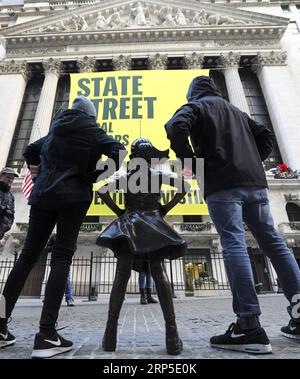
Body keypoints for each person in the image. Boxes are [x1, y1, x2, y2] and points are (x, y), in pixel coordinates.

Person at [165, 75, 300, 354]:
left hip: (222, 185)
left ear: (194, 94)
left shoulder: (196, 107)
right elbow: (265, 136)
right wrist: (253, 159)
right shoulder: (237, 111)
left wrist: (192, 163)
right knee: (274, 243)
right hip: (255, 184)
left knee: (234, 244)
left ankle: (249, 326)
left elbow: (175, 127)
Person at [0, 95, 126, 358]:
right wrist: (95, 176)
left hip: (43, 196)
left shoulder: (55, 130)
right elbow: (119, 150)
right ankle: (46, 335)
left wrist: (37, 174)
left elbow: (29, 150)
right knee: (61, 257)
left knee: (25, 259)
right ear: (90, 115)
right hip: (73, 197)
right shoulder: (91, 129)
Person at [96, 138, 190, 355]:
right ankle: (172, 336)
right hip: (153, 223)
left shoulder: (126, 177)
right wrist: (164, 209)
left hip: (129, 224)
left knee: (121, 276)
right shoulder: (157, 176)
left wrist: (120, 212)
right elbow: (183, 187)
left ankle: (110, 336)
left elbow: (102, 191)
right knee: (159, 272)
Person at [0, 167, 18, 243]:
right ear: (1, 176)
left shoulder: (10, 196)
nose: (10, 180)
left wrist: (4, 228)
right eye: (8, 177)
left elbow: (10, 215)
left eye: (12, 179)